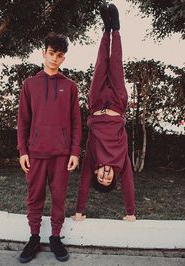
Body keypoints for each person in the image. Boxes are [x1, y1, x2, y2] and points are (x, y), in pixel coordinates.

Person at [17, 32, 82, 263]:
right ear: (43, 53)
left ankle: (55, 238)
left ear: (64, 58)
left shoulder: (70, 87)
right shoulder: (30, 84)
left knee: (58, 197)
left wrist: (74, 151)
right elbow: (23, 121)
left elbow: (76, 123)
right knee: (34, 197)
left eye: (60, 55)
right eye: (51, 54)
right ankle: (34, 237)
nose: (55, 59)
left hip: (62, 155)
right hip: (35, 153)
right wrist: (23, 151)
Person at [72, 3, 136, 223]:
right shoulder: (121, 163)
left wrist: (80, 210)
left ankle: (105, 29)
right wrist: (130, 212)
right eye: (108, 178)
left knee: (101, 63)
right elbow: (128, 184)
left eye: (101, 177)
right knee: (115, 62)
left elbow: (82, 183)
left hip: (97, 102)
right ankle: (116, 29)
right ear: (113, 177)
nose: (105, 175)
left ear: (97, 175)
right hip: (117, 103)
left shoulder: (92, 159)